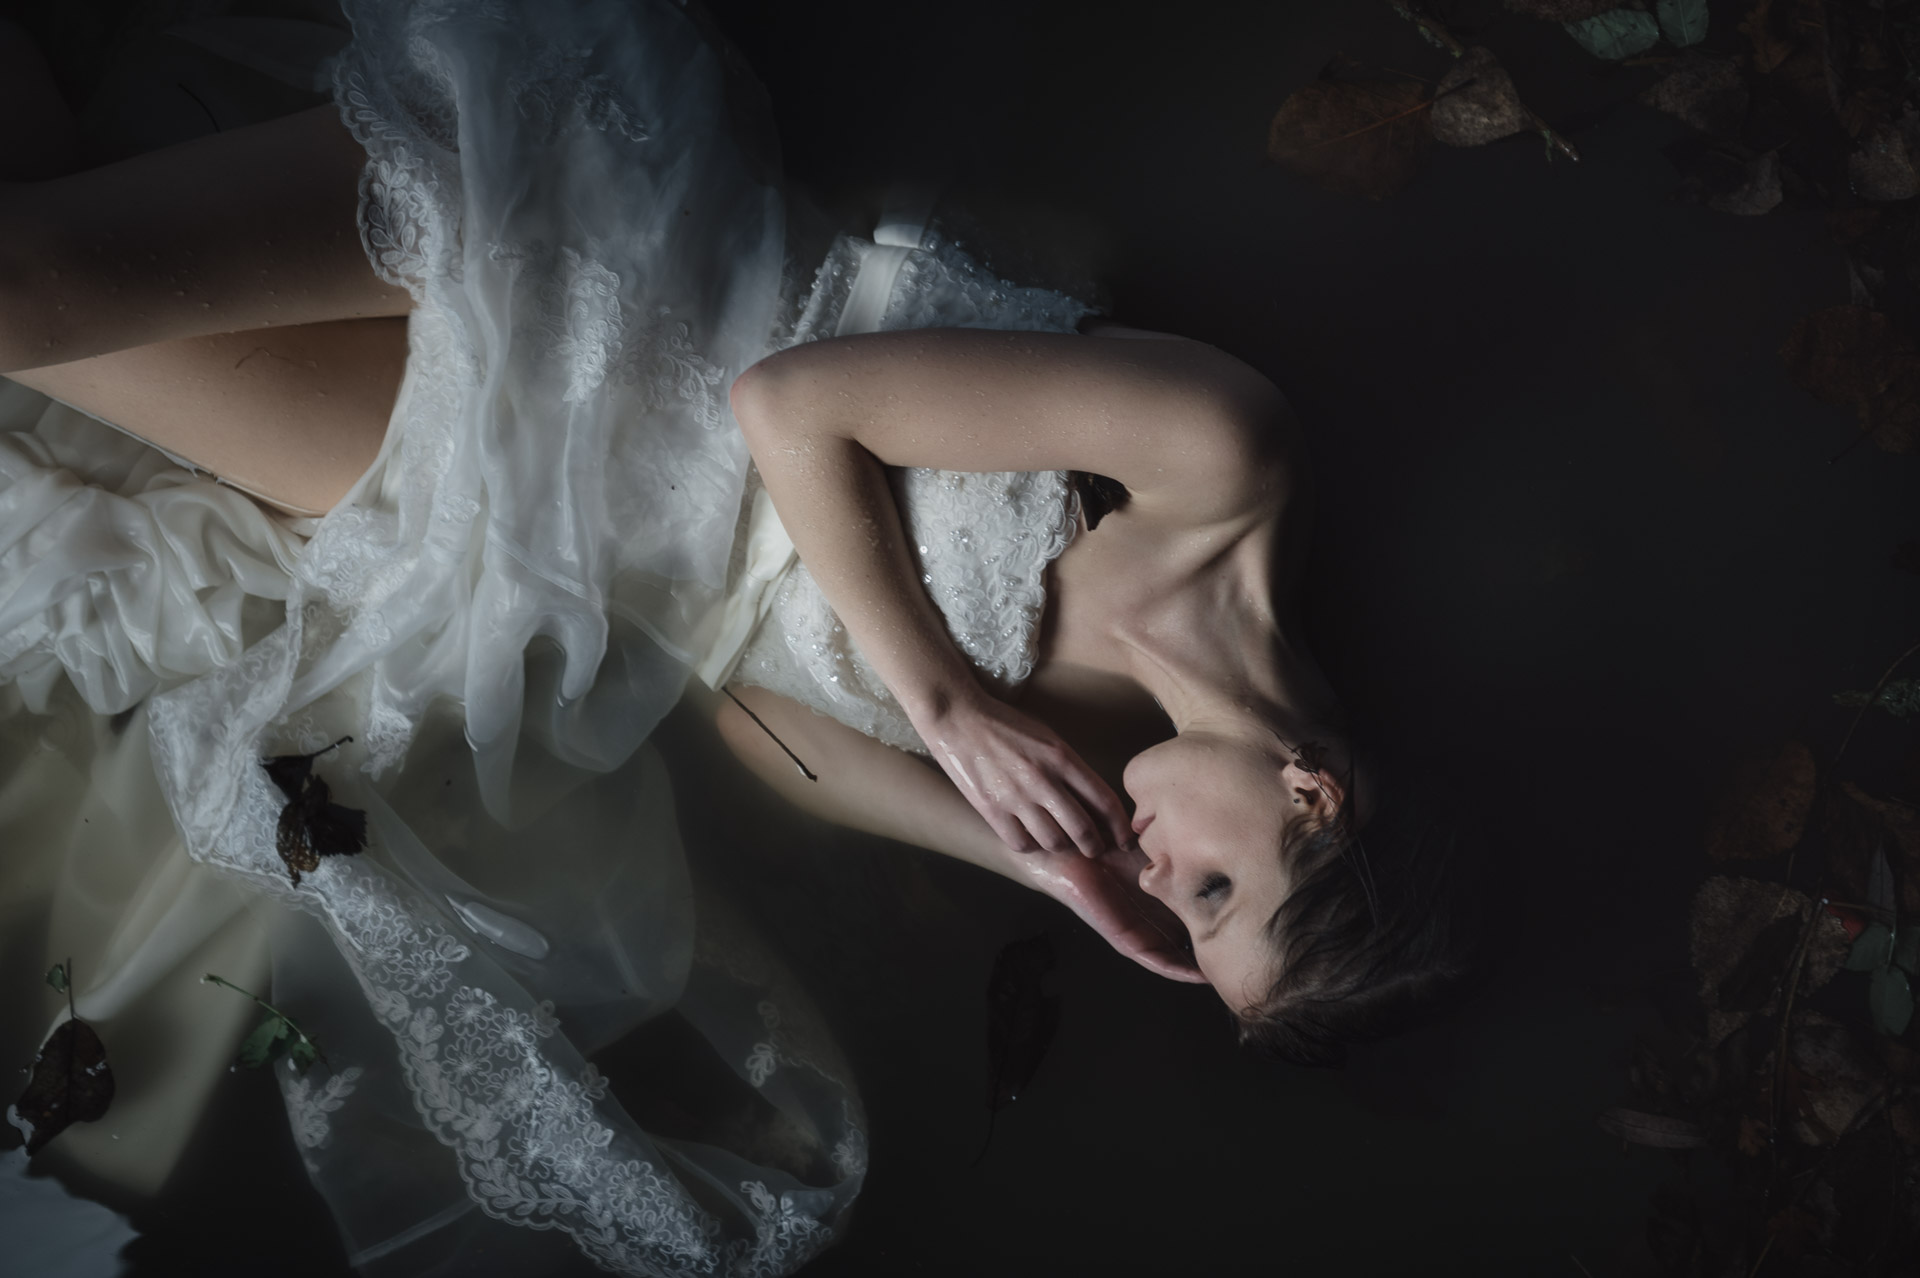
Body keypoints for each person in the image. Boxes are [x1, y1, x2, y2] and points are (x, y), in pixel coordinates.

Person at [0, 0, 1470, 1270]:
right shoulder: (1223, 459)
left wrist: (1038, 856)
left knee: (57, 283)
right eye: (1214, 889)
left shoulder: (1097, 756)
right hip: (616, 289)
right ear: (1313, 793)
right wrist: (951, 708)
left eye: (1183, 920)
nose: (1163, 877)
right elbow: (791, 402)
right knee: (31, 283)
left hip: (555, 523)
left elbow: (756, 712)